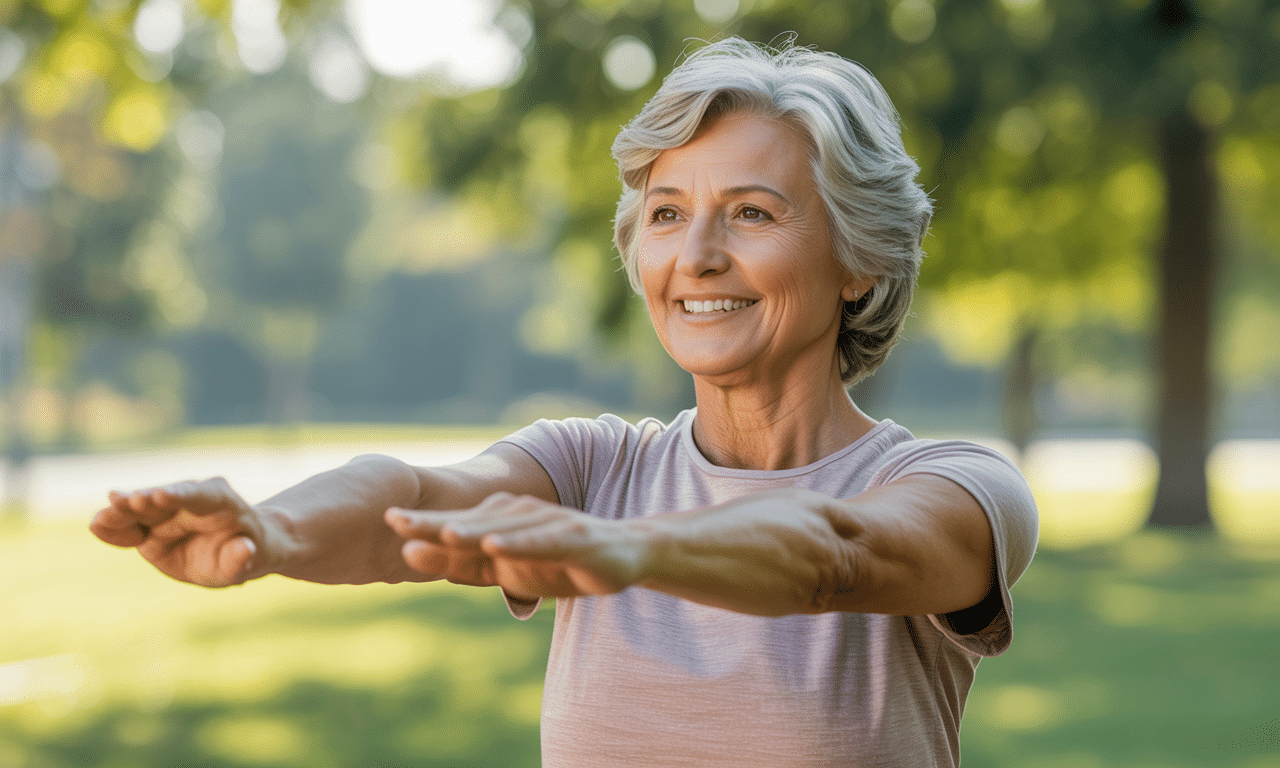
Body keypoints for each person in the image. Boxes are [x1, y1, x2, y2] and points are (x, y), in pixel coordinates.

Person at [90, 37, 1037, 767]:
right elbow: (406, 498)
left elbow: (837, 556)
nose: (696, 254)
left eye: (752, 211)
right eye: (667, 213)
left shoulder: (959, 488)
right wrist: (272, 530)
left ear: (861, 262)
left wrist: (630, 549)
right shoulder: (594, 469)